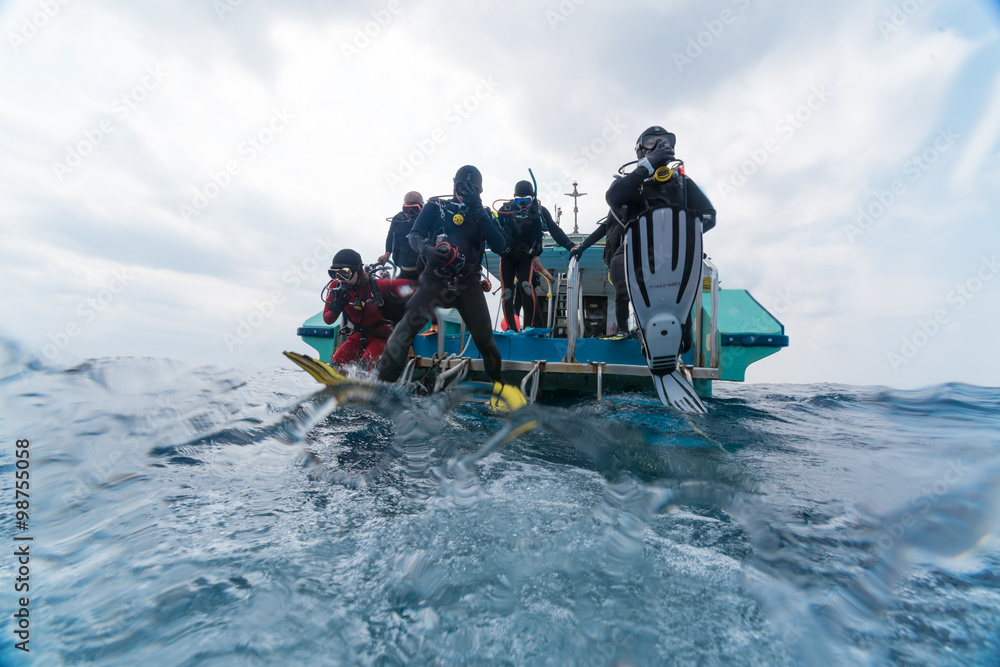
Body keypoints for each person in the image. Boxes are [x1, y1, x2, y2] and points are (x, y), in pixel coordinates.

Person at [377, 166, 513, 396]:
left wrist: (479, 210)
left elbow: (502, 247)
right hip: (435, 279)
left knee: (485, 341)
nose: (465, 191)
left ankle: (498, 384)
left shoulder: (484, 215)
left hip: (467, 283)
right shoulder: (435, 207)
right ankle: (381, 387)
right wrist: (425, 249)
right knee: (406, 328)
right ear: (453, 184)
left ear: (480, 191)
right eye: (462, 186)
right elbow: (414, 234)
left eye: (473, 188)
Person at [602, 126, 716, 352]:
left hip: (674, 254)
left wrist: (685, 233)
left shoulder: (681, 183)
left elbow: (709, 216)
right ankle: (637, 332)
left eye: (666, 141)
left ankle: (680, 332)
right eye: (651, 141)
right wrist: (645, 167)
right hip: (637, 255)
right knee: (620, 266)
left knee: (685, 343)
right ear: (640, 150)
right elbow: (613, 197)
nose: (661, 145)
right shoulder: (633, 183)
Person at [496, 180, 575, 332]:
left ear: (533, 197)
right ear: (513, 199)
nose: (522, 204)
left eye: (527, 200)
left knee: (526, 286)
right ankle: (511, 330)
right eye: (519, 200)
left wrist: (570, 246)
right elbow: (492, 232)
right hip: (507, 256)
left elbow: (554, 229)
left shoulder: (539, 211)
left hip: (526, 256)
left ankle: (528, 327)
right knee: (507, 292)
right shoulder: (505, 210)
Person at [322, 249, 417, 371]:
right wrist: (336, 307)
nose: (340, 279)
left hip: (381, 339)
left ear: (357, 270)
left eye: (344, 274)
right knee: (334, 368)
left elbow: (408, 286)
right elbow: (328, 320)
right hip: (354, 339)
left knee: (363, 368)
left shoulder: (374, 286)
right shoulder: (335, 287)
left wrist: (431, 287)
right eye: (334, 274)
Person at [568, 208, 631, 336]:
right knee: (621, 293)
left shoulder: (639, 207)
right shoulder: (615, 211)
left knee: (635, 293)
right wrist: (582, 247)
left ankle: (643, 327)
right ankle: (623, 329)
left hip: (636, 256)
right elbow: (600, 231)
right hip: (617, 259)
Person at [378, 191, 425, 279]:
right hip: (404, 270)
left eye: (415, 209)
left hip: (425, 272)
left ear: (422, 206)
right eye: (407, 209)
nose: (410, 213)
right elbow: (390, 235)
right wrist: (387, 253)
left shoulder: (428, 218)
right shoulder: (398, 219)